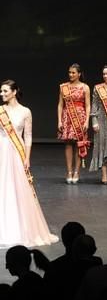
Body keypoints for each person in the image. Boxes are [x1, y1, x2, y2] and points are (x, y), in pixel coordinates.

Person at [0, 80, 58, 247]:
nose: (2, 94)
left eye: (5, 91)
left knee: (19, 188)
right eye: (1, 91)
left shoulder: (26, 112)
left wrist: (27, 157)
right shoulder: (1, 111)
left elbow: (28, 136)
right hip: (2, 150)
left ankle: (22, 227)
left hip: (16, 153)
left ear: (14, 91)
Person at [57, 63, 91, 184]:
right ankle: (69, 171)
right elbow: (60, 105)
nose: (71, 74)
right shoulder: (63, 87)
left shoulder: (85, 87)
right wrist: (59, 120)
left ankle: (77, 171)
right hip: (67, 117)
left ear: (79, 74)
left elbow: (88, 105)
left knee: (79, 144)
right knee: (68, 144)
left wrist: (87, 120)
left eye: (73, 72)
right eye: (70, 72)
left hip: (80, 117)